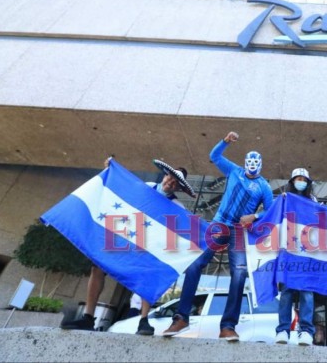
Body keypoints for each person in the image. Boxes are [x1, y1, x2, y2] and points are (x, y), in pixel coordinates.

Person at [61, 157, 196, 336]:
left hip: (147, 247)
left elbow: (181, 231)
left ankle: (144, 320)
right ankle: (88, 316)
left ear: (179, 187)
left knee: (148, 276)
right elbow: (122, 191)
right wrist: (111, 171)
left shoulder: (177, 206)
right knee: (97, 268)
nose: (171, 183)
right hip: (123, 235)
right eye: (170, 178)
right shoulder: (146, 186)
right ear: (165, 176)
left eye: (176, 183)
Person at [163, 131, 273, 341]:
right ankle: (181, 318)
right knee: (195, 264)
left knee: (239, 274)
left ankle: (228, 326)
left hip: (239, 231)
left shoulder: (264, 186)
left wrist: (255, 215)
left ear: (260, 165)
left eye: (255, 163)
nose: (251, 166)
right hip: (218, 224)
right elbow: (214, 157)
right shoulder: (234, 171)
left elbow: (271, 210)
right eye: (249, 162)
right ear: (245, 163)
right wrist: (225, 142)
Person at [275, 168, 318, 346]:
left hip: (307, 252)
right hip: (289, 251)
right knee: (286, 292)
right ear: (292, 181)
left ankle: (306, 331)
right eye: (297, 179)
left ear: (308, 183)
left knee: (306, 292)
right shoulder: (284, 199)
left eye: (304, 179)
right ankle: (283, 330)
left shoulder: (313, 201)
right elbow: (274, 217)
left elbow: (320, 223)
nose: (301, 181)